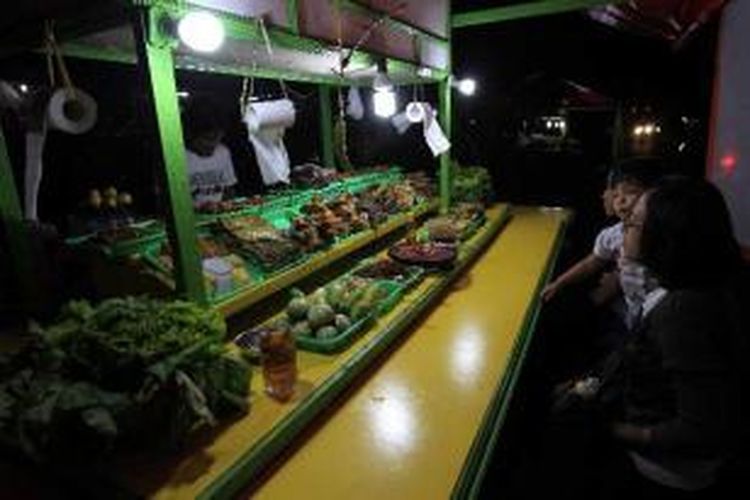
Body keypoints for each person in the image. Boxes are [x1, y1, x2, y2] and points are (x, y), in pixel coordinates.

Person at [550, 177, 745, 499]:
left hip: (664, 476)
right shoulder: (673, 288)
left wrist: (610, 430)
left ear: (665, 238)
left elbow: (701, 428)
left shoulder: (684, 311)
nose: (623, 223)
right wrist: (585, 382)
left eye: (633, 222)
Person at [181, 96, 238, 206]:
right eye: (208, 139)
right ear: (191, 135)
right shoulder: (180, 157)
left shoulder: (223, 152)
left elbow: (229, 189)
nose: (213, 144)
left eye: (218, 138)